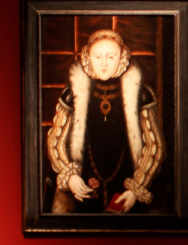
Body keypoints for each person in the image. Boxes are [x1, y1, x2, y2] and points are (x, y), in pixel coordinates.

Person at [47, 29, 166, 214]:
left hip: (128, 183)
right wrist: (70, 177)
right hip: (82, 186)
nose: (103, 64)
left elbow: (155, 145)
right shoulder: (72, 93)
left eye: (111, 57)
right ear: (88, 57)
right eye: (98, 56)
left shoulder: (141, 94)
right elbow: (56, 140)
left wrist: (137, 188)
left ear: (122, 57)